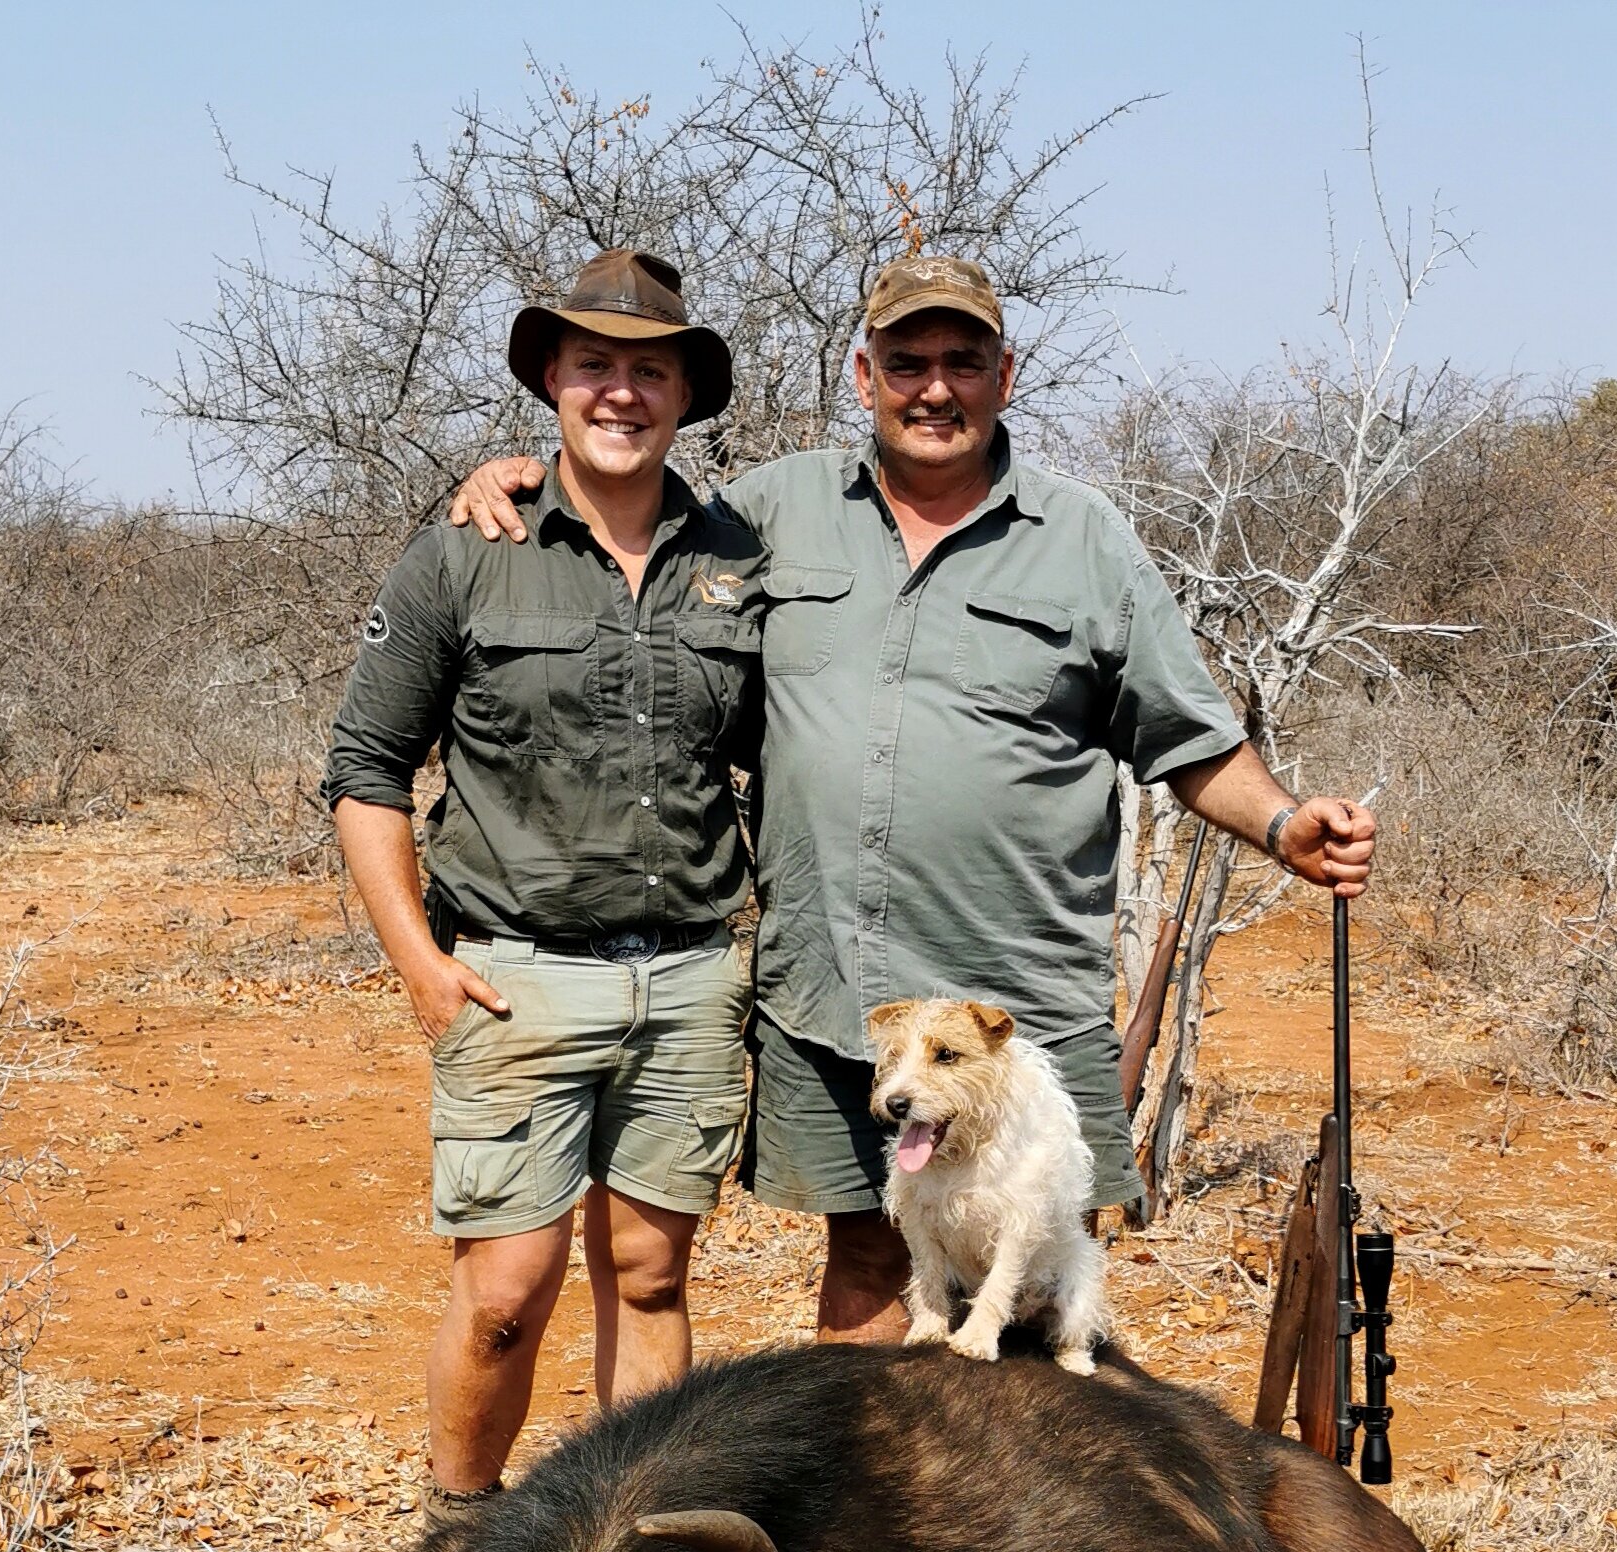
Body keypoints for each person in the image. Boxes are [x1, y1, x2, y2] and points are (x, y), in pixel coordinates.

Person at [453, 253, 1377, 1341]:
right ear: (863, 374)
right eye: (906, 362)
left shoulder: (1084, 541)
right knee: (869, 1258)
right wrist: (512, 479)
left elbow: (1185, 733)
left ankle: (1025, 1512)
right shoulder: (770, 512)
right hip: (834, 990)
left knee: (1027, 1260)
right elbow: (623, 526)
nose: (933, 387)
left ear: (1004, 374)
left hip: (1012, 1001)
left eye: (960, 361)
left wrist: (1281, 822)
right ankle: (878, 1512)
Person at [323, 249, 765, 1510]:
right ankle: (453, 1542)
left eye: (648, 371)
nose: (620, 394)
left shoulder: (739, 553)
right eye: (594, 367)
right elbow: (365, 772)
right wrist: (420, 966)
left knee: (653, 1276)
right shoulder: (468, 548)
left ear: (684, 394)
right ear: (551, 383)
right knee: (506, 1295)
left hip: (687, 981)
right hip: (513, 982)